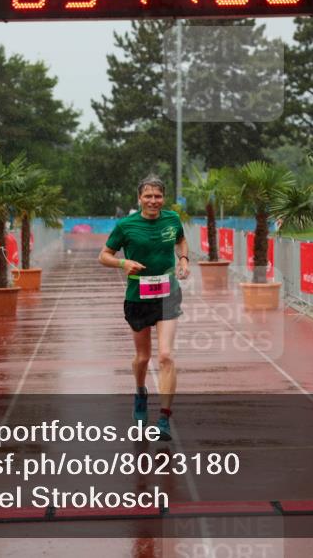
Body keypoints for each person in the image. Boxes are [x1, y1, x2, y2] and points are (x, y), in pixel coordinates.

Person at [99, 175, 190, 441]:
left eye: (158, 196)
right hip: (137, 297)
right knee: (143, 357)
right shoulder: (126, 225)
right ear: (139, 198)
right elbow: (103, 255)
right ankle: (140, 392)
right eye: (148, 196)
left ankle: (164, 417)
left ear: (164, 198)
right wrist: (123, 264)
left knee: (165, 356)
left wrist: (183, 259)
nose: (153, 201)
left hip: (167, 294)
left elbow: (181, 240)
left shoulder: (172, 219)